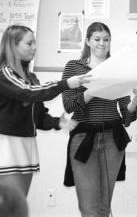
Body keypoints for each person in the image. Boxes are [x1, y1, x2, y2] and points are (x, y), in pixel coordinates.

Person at [62, 21, 137, 217]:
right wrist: (93, 91)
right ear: (88, 42)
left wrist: (135, 102)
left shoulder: (117, 67)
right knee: (89, 208)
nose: (102, 43)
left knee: (103, 207)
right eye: (97, 39)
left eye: (107, 39)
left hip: (113, 139)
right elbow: (69, 106)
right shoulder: (74, 67)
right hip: (83, 138)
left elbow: (126, 117)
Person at [0, 25, 90, 197]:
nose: (35, 47)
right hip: (6, 147)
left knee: (19, 206)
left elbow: (39, 117)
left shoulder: (31, 78)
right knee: (8, 207)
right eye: (29, 43)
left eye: (35, 43)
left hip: (25, 146)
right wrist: (65, 84)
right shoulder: (4, 74)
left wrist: (58, 122)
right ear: (13, 46)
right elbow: (28, 93)